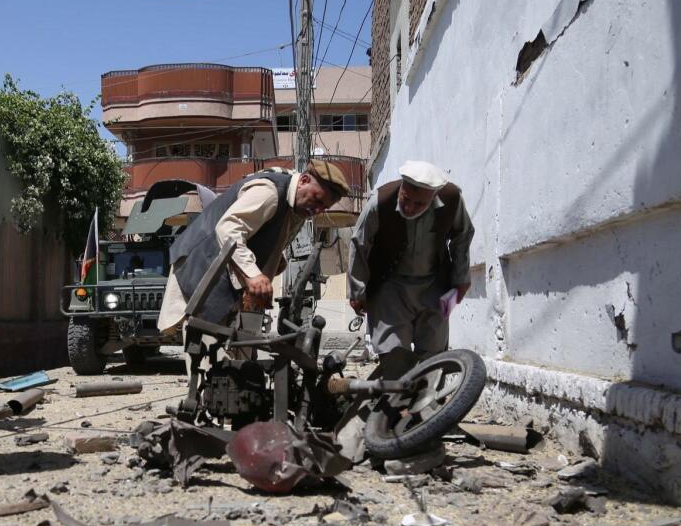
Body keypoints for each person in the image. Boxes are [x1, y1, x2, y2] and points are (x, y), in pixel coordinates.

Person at [157, 160, 349, 331]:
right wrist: (253, 274)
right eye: (317, 199)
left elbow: (260, 233)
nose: (317, 209)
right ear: (304, 181)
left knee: (237, 351)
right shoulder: (270, 192)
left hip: (223, 273)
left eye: (324, 207)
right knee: (210, 352)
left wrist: (275, 259)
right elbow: (229, 228)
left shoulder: (294, 206)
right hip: (201, 264)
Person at [347, 161, 474, 378]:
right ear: (402, 187)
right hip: (389, 286)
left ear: (433, 196)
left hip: (436, 286)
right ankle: (398, 407)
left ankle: (428, 407)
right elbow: (359, 243)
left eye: (419, 204)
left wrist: (461, 278)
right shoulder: (381, 201)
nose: (409, 208)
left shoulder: (452, 199)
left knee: (434, 354)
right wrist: (357, 291)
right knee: (394, 353)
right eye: (406, 199)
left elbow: (463, 235)